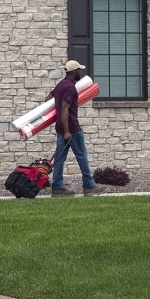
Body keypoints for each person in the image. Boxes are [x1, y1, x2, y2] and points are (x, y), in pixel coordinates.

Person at [49, 60, 105, 197]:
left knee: (60, 158)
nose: (80, 72)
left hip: (60, 126)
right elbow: (64, 109)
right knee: (81, 156)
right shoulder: (70, 87)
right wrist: (68, 131)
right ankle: (89, 186)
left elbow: (48, 99)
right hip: (72, 128)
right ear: (73, 72)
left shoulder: (60, 85)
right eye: (78, 70)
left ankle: (57, 188)